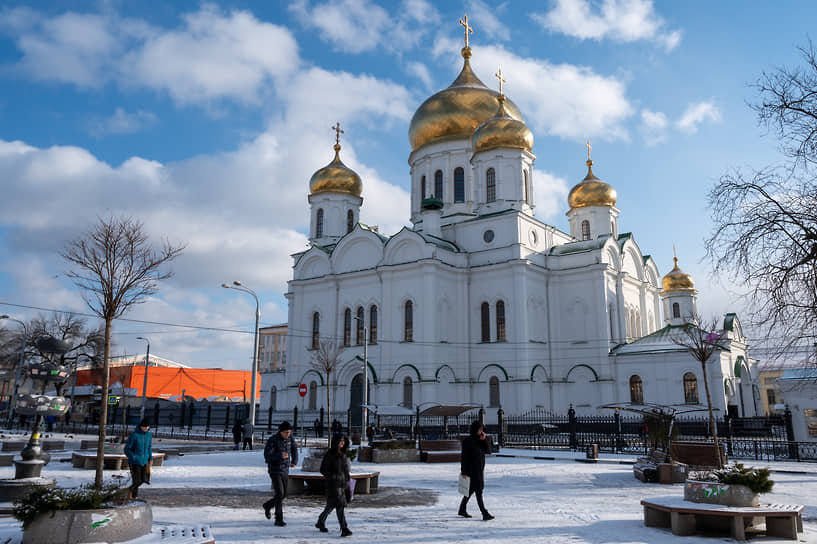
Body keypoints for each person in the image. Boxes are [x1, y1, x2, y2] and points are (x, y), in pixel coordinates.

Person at [315, 434, 353, 537]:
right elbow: (323, 469)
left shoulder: (343, 454)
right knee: (340, 505)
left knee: (331, 505)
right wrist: (332, 476)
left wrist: (348, 479)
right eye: (340, 441)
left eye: (343, 441)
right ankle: (344, 528)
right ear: (335, 442)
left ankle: (320, 521)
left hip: (342, 484)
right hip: (332, 484)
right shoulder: (330, 454)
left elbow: (345, 469)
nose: (342, 443)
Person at [263, 421, 299, 527]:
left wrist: (294, 461)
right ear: (281, 432)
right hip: (275, 470)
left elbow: (294, 449)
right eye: (286, 432)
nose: (288, 434)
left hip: (285, 470)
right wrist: (279, 455)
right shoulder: (273, 440)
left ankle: (268, 505)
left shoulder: (290, 438)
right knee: (279, 494)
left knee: (283, 495)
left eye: (289, 432)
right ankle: (278, 518)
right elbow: (267, 456)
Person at [458, 420, 493, 521]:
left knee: (471, 490)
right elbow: (464, 457)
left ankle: (462, 509)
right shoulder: (468, 441)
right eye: (480, 429)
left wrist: (484, 440)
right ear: (475, 429)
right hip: (471, 470)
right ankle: (484, 513)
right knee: (478, 491)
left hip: (479, 469)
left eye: (482, 429)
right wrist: (463, 471)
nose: (481, 431)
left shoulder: (480, 440)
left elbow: (488, 451)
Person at [124, 417, 153, 499]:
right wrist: (133, 457)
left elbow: (149, 447)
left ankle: (129, 491)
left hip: (144, 461)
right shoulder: (134, 435)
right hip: (135, 462)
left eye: (148, 427)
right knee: (137, 480)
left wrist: (150, 458)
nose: (146, 428)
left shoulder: (149, 435)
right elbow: (127, 449)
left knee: (144, 479)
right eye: (144, 426)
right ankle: (134, 496)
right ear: (141, 426)